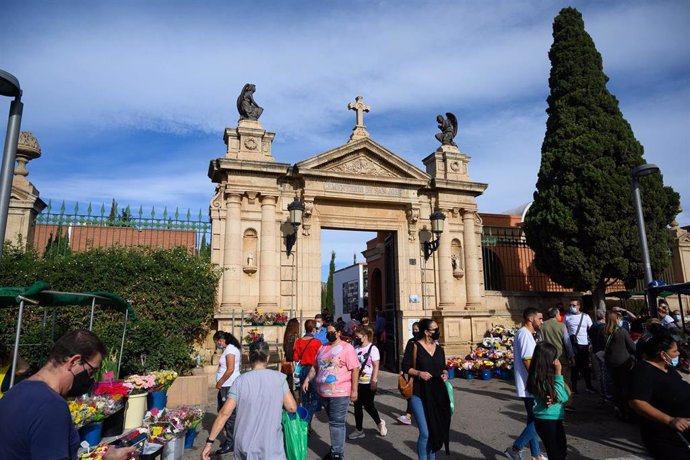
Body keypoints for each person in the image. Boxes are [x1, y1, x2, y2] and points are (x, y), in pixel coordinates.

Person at [0, 329, 134, 460]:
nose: (91, 378)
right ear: (74, 361)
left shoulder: (13, 393)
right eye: (91, 371)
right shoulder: (51, 405)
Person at [202, 340, 297, 460]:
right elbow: (291, 407)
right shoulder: (279, 378)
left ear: (249, 357)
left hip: (244, 444)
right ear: (267, 358)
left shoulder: (240, 381)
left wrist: (209, 443)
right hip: (270, 444)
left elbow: (224, 413)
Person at [302, 322, 360, 460]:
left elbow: (355, 369)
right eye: (327, 332)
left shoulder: (347, 348)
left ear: (339, 332)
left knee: (337, 423)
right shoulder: (323, 348)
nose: (329, 334)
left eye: (332, 331)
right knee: (333, 421)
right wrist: (306, 380)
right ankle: (335, 449)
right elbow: (315, 367)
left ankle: (337, 454)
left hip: (340, 392)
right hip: (323, 393)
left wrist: (355, 390)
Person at [629, 333, 690, 459]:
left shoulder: (667, 367)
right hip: (665, 436)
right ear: (662, 354)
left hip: (683, 430)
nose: (678, 354)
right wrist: (670, 420)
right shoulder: (643, 372)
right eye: (675, 351)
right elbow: (637, 402)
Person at [401, 318, 451, 460]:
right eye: (434, 329)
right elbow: (405, 366)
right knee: (425, 432)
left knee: (434, 430)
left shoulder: (439, 349)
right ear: (426, 332)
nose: (437, 332)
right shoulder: (414, 346)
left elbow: (443, 367)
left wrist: (445, 373)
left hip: (437, 394)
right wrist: (418, 373)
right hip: (419, 393)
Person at [504, 307, 545, 460]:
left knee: (532, 419)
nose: (542, 321)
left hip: (528, 385)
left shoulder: (524, 334)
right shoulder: (525, 335)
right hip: (532, 385)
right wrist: (540, 383)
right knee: (540, 419)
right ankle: (515, 448)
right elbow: (528, 361)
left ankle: (536, 455)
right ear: (530, 318)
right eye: (539, 318)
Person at [527, 342, 571, 460]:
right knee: (556, 454)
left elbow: (566, 394)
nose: (556, 360)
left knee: (561, 451)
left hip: (554, 418)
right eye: (554, 357)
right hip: (547, 419)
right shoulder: (540, 377)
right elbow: (562, 396)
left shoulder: (544, 376)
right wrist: (558, 373)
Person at [349, 326, 386, 440]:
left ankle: (379, 422)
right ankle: (359, 429)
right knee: (357, 406)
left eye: (358, 336)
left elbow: (376, 365)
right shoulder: (356, 349)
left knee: (369, 405)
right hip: (358, 382)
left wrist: (374, 380)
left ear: (365, 336)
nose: (356, 338)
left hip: (369, 382)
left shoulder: (373, 348)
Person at [212, 330, 242, 455]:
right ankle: (231, 440)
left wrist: (220, 382)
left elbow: (230, 369)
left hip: (228, 385)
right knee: (225, 412)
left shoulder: (230, 350)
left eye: (217, 342)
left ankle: (231, 443)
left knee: (229, 415)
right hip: (227, 385)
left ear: (221, 340)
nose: (217, 344)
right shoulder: (230, 348)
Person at [540, 307, 576, 408]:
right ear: (556, 314)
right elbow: (567, 343)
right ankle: (567, 402)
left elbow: (540, 342)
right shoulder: (561, 326)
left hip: (548, 357)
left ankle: (552, 399)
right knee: (565, 380)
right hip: (561, 357)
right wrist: (571, 356)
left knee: (550, 379)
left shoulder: (543, 326)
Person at [603, 310, 636, 420]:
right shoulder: (622, 332)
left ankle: (618, 407)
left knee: (615, 385)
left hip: (609, 362)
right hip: (623, 362)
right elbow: (632, 347)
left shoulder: (603, 331)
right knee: (624, 386)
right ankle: (627, 410)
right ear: (616, 319)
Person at [293, 319, 323, 430]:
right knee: (315, 397)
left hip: (303, 369)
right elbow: (321, 358)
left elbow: (296, 358)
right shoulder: (317, 342)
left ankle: (305, 421)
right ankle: (307, 421)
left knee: (304, 398)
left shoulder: (298, 341)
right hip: (314, 370)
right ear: (314, 329)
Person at [563, 300, 595, 394]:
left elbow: (591, 329)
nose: (571, 306)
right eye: (570, 305)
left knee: (586, 366)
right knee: (574, 366)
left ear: (579, 306)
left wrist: (591, 343)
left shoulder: (585, 316)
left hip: (584, 344)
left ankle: (589, 386)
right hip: (572, 344)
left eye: (573, 305)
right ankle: (574, 387)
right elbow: (564, 330)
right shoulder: (567, 316)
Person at [398, 321, 420, 425]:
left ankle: (409, 415)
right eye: (413, 330)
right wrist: (403, 369)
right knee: (412, 393)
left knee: (416, 394)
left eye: (416, 329)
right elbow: (407, 356)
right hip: (412, 371)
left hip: (423, 371)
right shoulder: (411, 342)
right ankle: (408, 415)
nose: (414, 332)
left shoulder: (426, 342)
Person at [588, 310, 612, 401]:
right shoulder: (603, 327)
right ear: (604, 317)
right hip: (602, 351)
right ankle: (606, 394)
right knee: (605, 373)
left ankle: (603, 392)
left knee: (600, 373)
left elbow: (590, 336)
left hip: (595, 351)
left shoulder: (593, 326)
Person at [283, 318, 300, 391]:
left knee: (289, 381)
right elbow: (289, 351)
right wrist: (292, 361)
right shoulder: (292, 336)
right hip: (292, 361)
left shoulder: (288, 335)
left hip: (289, 361)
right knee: (292, 382)